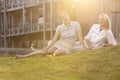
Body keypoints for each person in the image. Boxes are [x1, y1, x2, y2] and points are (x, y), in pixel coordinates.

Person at [16, 10, 86, 59]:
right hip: (59, 43)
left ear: (68, 15)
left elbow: (80, 37)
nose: (64, 18)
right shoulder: (60, 27)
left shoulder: (76, 24)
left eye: (65, 16)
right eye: (62, 17)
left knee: (57, 52)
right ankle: (25, 56)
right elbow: (55, 39)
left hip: (69, 46)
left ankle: (47, 55)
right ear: (61, 19)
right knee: (47, 50)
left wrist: (83, 46)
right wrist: (48, 46)